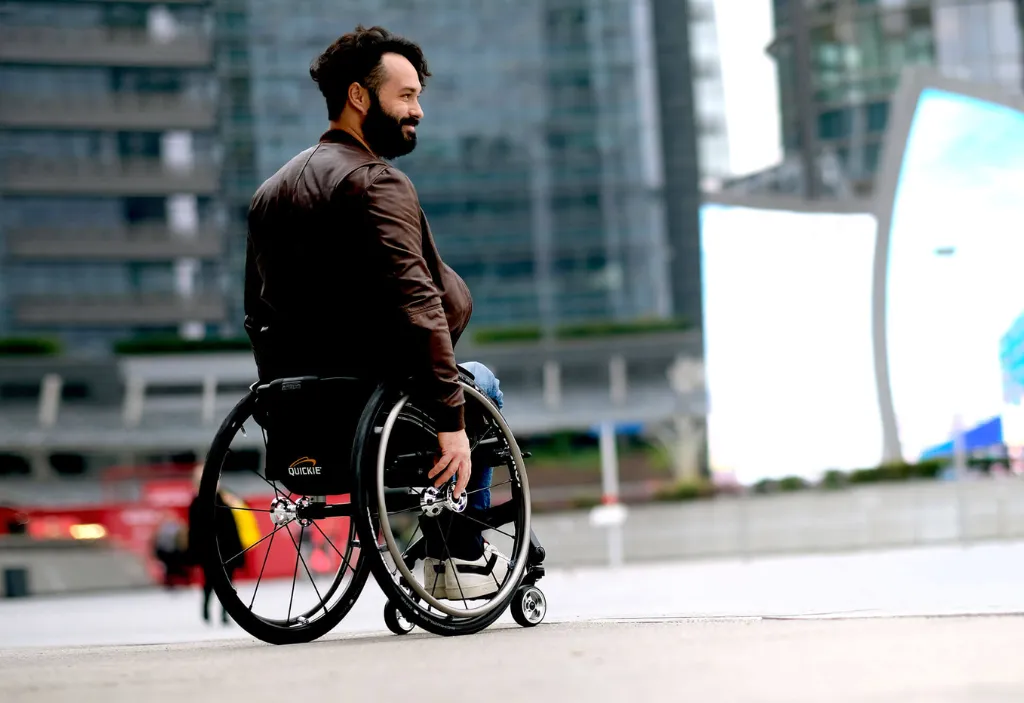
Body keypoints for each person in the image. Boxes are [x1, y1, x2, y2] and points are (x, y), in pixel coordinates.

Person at [243, 25, 507, 600]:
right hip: (377, 402)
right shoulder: (375, 181)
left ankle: (447, 548)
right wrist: (452, 423)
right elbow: (418, 306)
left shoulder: (269, 193)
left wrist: (279, 393)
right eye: (405, 96)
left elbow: (257, 313)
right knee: (481, 383)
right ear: (359, 98)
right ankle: (459, 554)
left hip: (302, 411)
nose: (418, 111)